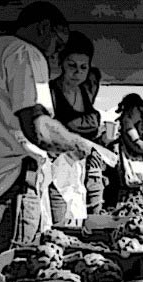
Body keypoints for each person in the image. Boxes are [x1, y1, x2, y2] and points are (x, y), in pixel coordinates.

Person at [0, 2, 111, 267]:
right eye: (58, 43)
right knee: (16, 271)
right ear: (44, 28)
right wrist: (81, 144)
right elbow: (39, 129)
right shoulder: (25, 53)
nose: (56, 53)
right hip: (4, 195)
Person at [49, 31, 105, 216]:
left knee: (78, 218)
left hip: (78, 170)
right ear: (61, 63)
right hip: (54, 171)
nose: (77, 72)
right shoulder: (51, 92)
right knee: (59, 221)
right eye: (71, 65)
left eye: (83, 67)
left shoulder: (85, 93)